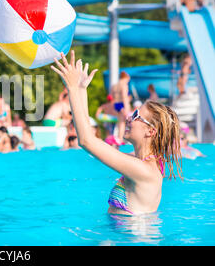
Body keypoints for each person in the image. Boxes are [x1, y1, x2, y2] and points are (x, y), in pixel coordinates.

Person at [51, 50, 182, 215]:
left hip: (131, 239)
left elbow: (86, 141)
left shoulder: (144, 170)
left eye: (136, 116)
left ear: (151, 131)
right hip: (126, 237)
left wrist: (71, 88)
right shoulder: (141, 161)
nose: (128, 117)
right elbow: (91, 139)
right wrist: (81, 89)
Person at [110, 71, 131, 145]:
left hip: (116, 104)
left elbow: (111, 96)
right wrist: (127, 108)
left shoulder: (114, 86)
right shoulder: (124, 85)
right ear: (126, 78)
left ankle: (119, 138)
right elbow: (125, 97)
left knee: (120, 122)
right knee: (123, 123)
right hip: (122, 104)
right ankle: (120, 139)